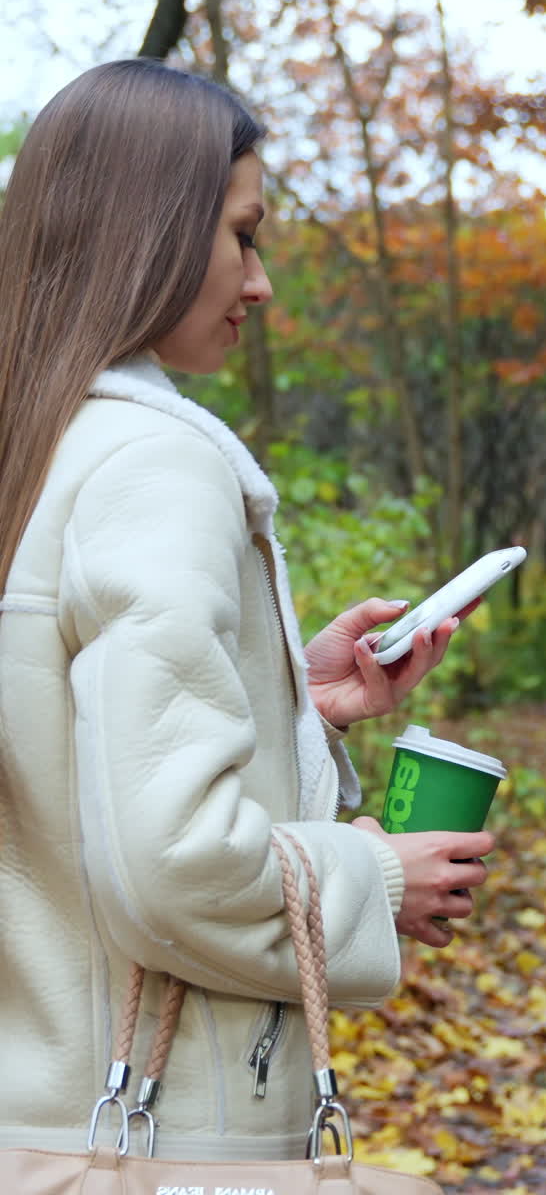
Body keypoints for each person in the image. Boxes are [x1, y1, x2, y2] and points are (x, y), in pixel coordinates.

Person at [0, 59, 494, 1163]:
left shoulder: (35, 456)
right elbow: (171, 860)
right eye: (244, 234)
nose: (260, 281)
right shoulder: (156, 463)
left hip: (36, 1120)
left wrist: (292, 701)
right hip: (173, 1138)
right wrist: (375, 876)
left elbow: (68, 788)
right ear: (150, 236)